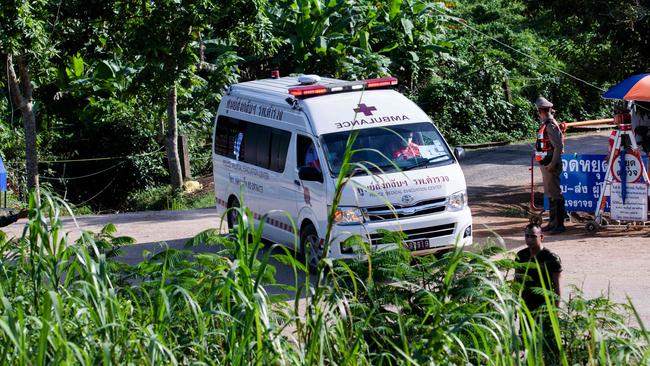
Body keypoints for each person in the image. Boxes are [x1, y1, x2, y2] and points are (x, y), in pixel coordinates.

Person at [534, 96, 566, 234]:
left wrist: (553, 164)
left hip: (551, 164)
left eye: (538, 112)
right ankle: (553, 223)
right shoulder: (547, 124)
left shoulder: (550, 125)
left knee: (555, 194)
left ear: (542, 111)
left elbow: (558, 147)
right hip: (547, 164)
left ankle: (558, 224)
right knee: (550, 193)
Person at [515, 223, 562, 312]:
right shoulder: (521, 255)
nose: (529, 239)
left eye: (533, 236)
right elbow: (517, 282)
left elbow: (557, 287)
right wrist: (513, 304)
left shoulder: (551, 258)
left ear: (541, 237)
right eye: (527, 236)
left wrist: (555, 310)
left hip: (545, 305)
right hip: (526, 305)